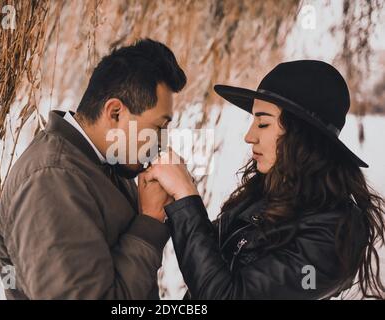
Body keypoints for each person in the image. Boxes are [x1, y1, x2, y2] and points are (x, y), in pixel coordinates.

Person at [139, 60, 385, 299]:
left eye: (263, 123)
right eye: (252, 121)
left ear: (301, 135)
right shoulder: (266, 194)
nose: (249, 136)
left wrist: (186, 196)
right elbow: (211, 264)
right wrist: (170, 207)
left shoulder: (333, 233)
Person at [0, 39, 186, 299]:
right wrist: (149, 223)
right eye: (158, 128)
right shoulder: (52, 180)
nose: (161, 143)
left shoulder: (105, 165)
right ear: (115, 112)